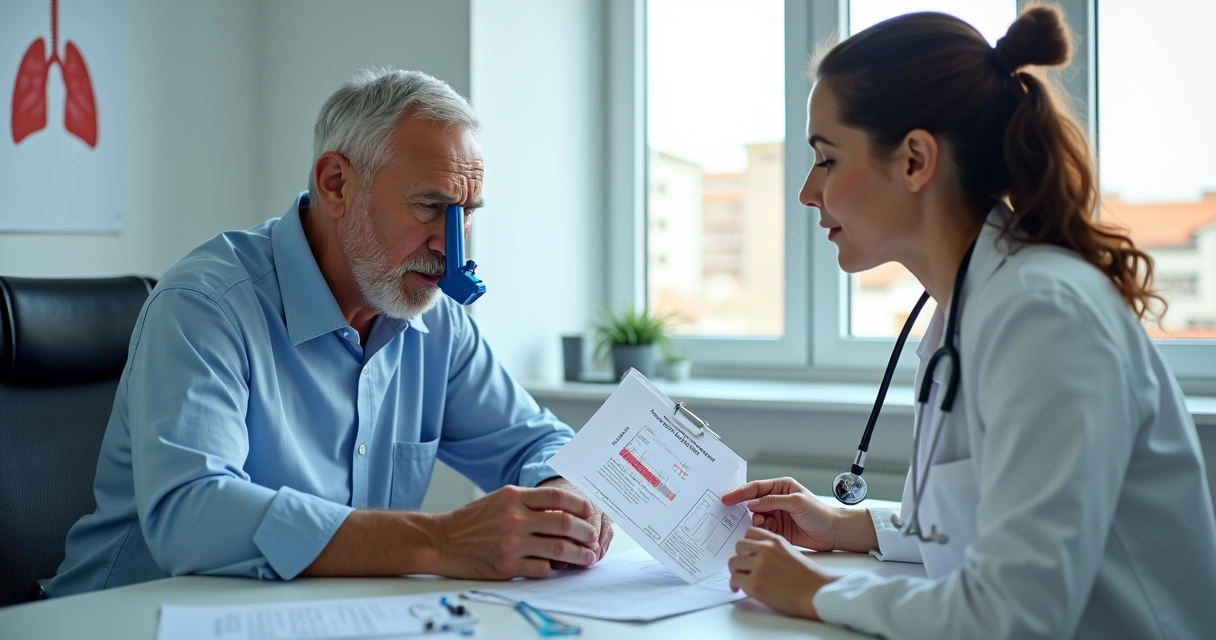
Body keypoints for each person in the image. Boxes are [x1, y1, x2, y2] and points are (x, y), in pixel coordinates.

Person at [722, 6, 1216, 638]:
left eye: (826, 159)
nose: (807, 192)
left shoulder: (1044, 316)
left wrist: (818, 592)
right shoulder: (967, 305)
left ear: (914, 160)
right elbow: (987, 524)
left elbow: (1013, 614)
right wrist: (847, 525)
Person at [43, 69, 612, 597]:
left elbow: (535, 440)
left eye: (467, 214)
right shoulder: (205, 306)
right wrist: (442, 541)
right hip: (126, 616)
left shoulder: (436, 321)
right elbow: (191, 516)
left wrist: (568, 491)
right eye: (431, 207)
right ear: (336, 183)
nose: (451, 247)